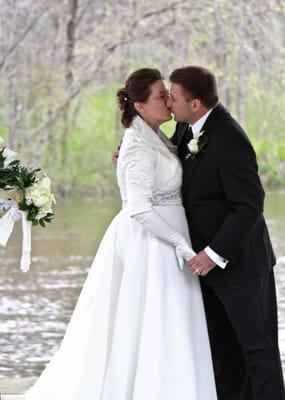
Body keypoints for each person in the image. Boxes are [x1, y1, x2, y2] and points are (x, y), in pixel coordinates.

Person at [23, 68, 217, 400]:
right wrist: (181, 244)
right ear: (140, 106)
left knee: (172, 322)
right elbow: (139, 209)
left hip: (166, 237)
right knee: (150, 322)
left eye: (168, 95)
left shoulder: (157, 136)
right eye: (161, 96)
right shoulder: (137, 145)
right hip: (152, 244)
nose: (169, 101)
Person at [168, 65, 284, 400]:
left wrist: (214, 254)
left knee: (258, 352)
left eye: (174, 98)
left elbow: (249, 205)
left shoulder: (230, 138)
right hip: (206, 269)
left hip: (242, 265)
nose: (169, 103)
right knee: (223, 353)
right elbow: (173, 158)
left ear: (196, 104)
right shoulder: (185, 128)